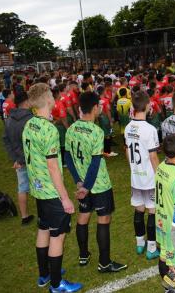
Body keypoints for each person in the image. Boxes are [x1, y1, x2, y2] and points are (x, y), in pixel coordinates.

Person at [22, 83, 82, 292]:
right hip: (50, 191)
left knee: (43, 229)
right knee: (58, 236)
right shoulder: (49, 129)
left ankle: (45, 274)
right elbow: (53, 167)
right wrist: (64, 197)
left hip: (37, 189)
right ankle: (56, 285)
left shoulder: (29, 124)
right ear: (48, 100)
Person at [64, 92, 127, 273]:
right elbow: (95, 162)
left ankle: (83, 255)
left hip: (82, 183)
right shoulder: (97, 132)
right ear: (94, 108)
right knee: (103, 218)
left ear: (79, 109)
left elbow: (67, 156)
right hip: (97, 184)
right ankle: (105, 263)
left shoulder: (72, 129)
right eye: (98, 106)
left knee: (83, 216)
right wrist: (86, 187)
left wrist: (78, 181)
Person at [124, 91, 160, 260]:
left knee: (138, 209)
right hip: (149, 178)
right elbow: (153, 156)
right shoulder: (150, 129)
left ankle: (140, 243)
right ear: (147, 106)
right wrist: (160, 175)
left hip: (135, 176)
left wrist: (132, 167)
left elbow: (127, 150)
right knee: (152, 211)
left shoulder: (128, 127)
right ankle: (151, 248)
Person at [155, 134, 175, 279]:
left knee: (163, 255)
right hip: (172, 225)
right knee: (174, 261)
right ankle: (173, 287)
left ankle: (166, 285)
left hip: (160, 219)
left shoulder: (161, 166)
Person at [3, 91, 35, 225]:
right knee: (39, 186)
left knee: (22, 187)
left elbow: (6, 140)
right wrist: (19, 159)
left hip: (19, 160)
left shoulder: (9, 118)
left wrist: (15, 158)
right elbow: (33, 143)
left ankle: (24, 216)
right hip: (31, 160)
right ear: (26, 101)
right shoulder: (30, 119)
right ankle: (41, 215)